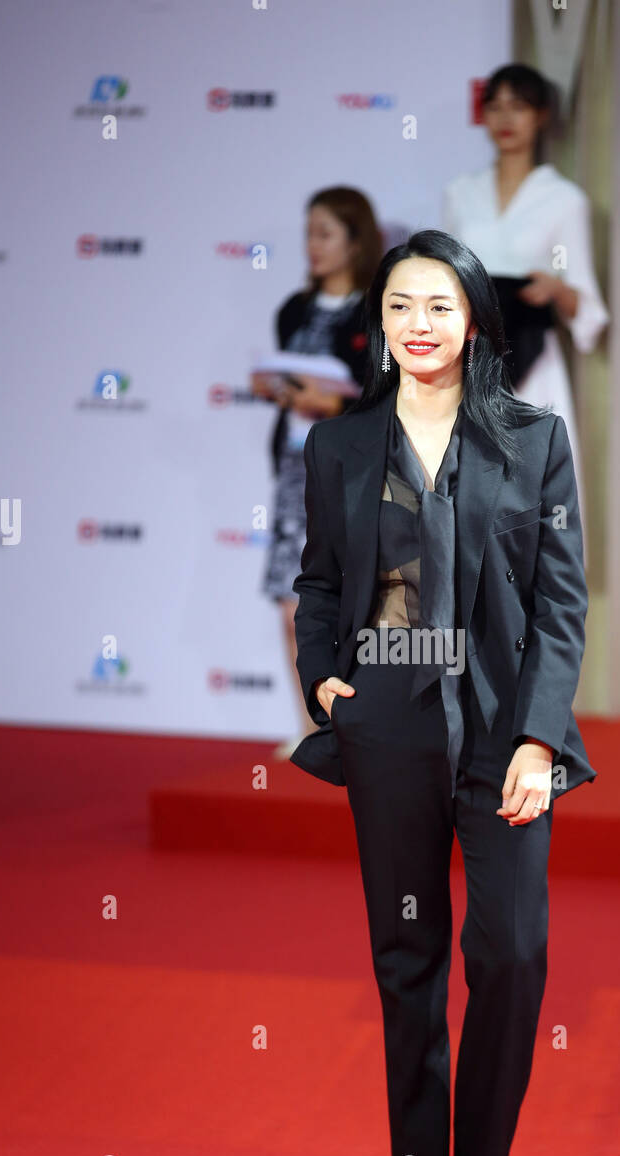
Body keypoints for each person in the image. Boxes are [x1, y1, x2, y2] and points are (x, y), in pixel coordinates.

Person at [289, 229, 596, 1156]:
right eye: (398, 308)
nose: (417, 326)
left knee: (510, 957)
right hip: (390, 727)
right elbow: (321, 580)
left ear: (473, 320)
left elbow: (560, 609)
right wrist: (325, 676)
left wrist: (537, 739)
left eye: (437, 306)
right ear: (378, 324)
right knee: (405, 971)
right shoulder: (338, 445)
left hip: (506, 730)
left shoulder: (532, 437)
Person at [441, 63, 609, 544]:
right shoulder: (461, 194)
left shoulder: (562, 199)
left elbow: (588, 306)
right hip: (469, 359)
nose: (505, 119)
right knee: (464, 492)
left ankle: (535, 608)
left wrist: (554, 289)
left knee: (533, 493)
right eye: (494, 107)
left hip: (533, 360)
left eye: (518, 107)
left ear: (541, 116)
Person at [251, 187, 380, 757]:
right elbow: (289, 381)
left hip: (354, 473)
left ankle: (359, 728)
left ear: (355, 241)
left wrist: (333, 406)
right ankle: (311, 728)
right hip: (294, 470)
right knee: (292, 601)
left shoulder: (377, 311)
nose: (313, 246)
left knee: (360, 604)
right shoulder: (293, 309)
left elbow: (384, 395)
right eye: (309, 233)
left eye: (326, 233)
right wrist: (277, 390)